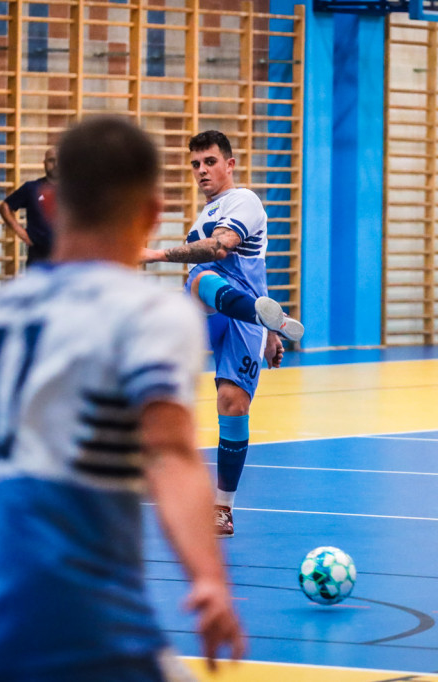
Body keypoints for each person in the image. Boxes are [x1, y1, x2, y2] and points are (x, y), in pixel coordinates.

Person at [0, 117, 244, 681]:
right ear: (151, 214)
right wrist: (208, 579)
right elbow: (171, 455)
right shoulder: (149, 313)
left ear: (51, 209)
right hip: (82, 625)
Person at [142, 130, 304, 538]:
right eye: (195, 164)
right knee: (198, 279)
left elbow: (224, 247)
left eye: (209, 162)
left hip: (241, 314)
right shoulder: (199, 221)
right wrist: (269, 327)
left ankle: (223, 508)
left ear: (229, 164)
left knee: (232, 405)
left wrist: (157, 254)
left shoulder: (243, 201)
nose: (201, 171)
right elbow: (244, 268)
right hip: (214, 307)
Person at [0, 146, 57, 267]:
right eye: (52, 160)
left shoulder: (75, 189)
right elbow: (5, 207)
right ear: (44, 163)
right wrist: (22, 233)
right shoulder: (32, 188)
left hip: (68, 254)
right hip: (38, 254)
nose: (56, 164)